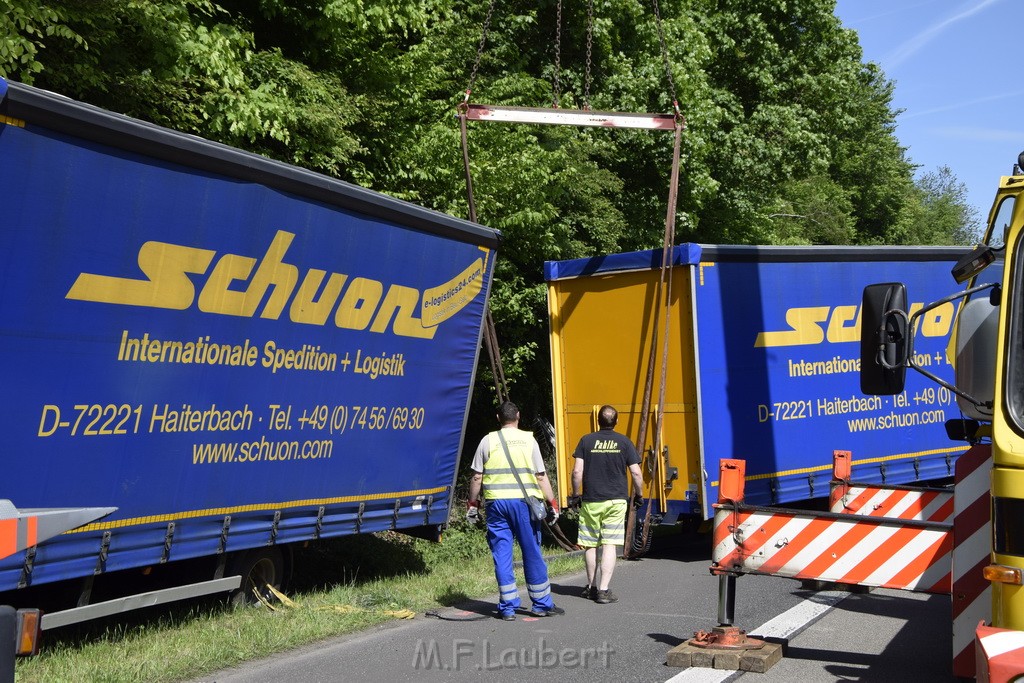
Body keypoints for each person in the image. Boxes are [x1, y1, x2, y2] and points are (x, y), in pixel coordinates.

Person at [466, 401, 564, 621]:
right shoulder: (529, 440)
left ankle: (507, 607)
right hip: (523, 504)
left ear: (498, 418)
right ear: (518, 416)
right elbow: (540, 476)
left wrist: (473, 504)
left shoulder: (487, 441)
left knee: (501, 553)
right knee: (531, 551)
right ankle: (541, 604)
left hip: (496, 505)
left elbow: (477, 476)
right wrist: (552, 502)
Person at [568, 404, 643, 604]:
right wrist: (639, 493)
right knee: (609, 543)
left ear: (598, 421)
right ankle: (604, 590)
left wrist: (576, 495)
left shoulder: (586, 440)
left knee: (590, 544)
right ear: (616, 422)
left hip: (592, 500)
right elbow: (636, 472)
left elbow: (577, 472)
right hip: (616, 501)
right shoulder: (624, 442)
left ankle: (591, 587)